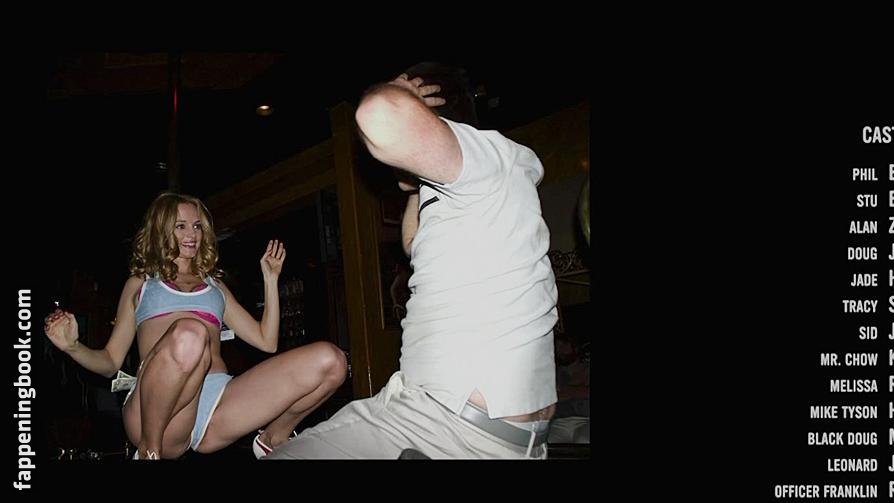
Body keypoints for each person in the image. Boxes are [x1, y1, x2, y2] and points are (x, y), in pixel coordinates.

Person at [268, 61, 558, 459]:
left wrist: (398, 93)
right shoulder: (480, 194)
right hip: (466, 425)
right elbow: (413, 243)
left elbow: (380, 116)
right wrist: (415, 184)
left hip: (447, 425)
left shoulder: (488, 157)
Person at [43, 192, 347, 460]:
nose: (192, 234)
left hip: (218, 403)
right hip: (158, 411)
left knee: (332, 361)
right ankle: (149, 452)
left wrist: (270, 280)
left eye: (198, 226)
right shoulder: (141, 285)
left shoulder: (216, 287)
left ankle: (273, 439)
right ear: (162, 230)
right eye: (181, 226)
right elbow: (110, 362)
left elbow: (267, 342)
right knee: (191, 334)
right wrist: (73, 347)